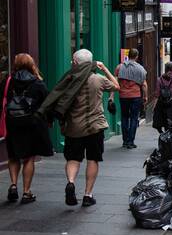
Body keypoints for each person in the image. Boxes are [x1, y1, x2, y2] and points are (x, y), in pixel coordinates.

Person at [40, 49, 119, 207]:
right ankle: (88, 195)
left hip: (74, 127)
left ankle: (71, 182)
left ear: (75, 63)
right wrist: (104, 69)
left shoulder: (69, 80)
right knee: (93, 159)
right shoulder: (98, 79)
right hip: (94, 127)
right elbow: (116, 86)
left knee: (73, 159)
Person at [3, 54, 53, 204]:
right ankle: (26, 192)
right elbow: (47, 104)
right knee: (29, 157)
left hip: (12, 123)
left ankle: (13, 185)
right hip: (31, 124)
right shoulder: (37, 83)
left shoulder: (8, 81)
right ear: (32, 64)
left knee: (13, 156)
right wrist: (50, 120)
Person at [114, 49, 148, 149]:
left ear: (128, 56)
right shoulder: (140, 69)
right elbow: (144, 85)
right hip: (135, 96)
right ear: (136, 56)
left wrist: (112, 96)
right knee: (134, 118)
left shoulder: (119, 67)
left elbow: (115, 82)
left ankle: (125, 141)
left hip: (123, 96)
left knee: (124, 117)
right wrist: (145, 96)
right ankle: (130, 141)